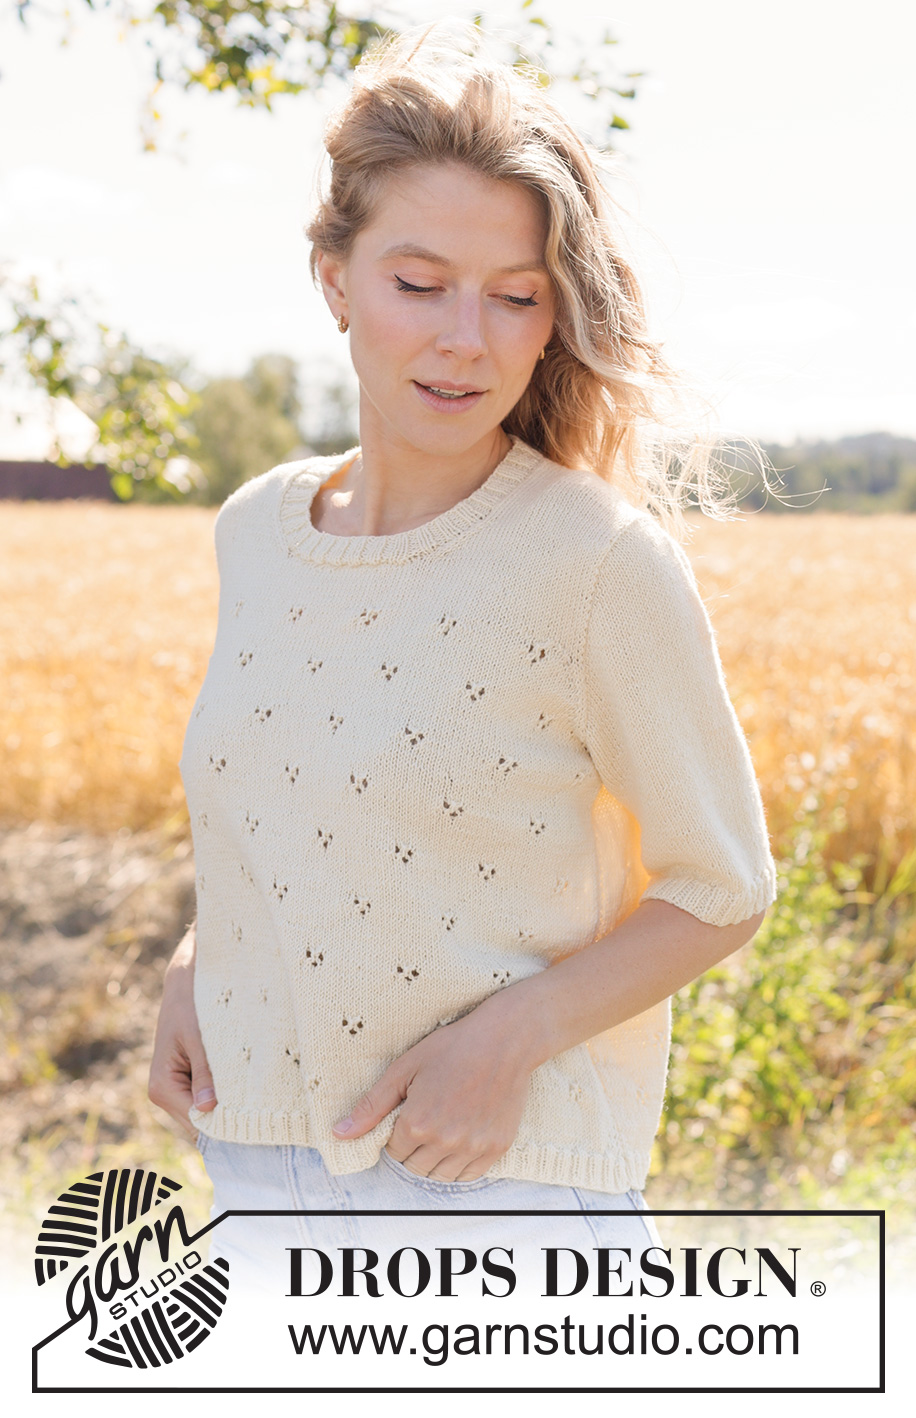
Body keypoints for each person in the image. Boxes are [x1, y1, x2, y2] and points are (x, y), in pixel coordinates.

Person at [149, 23, 777, 1294]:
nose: (465, 339)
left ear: (553, 314)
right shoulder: (256, 532)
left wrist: (508, 1040)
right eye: (417, 282)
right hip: (258, 1177)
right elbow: (289, 794)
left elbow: (723, 883)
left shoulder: (596, 561)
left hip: (503, 1203)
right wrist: (197, 959)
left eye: (515, 294)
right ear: (334, 278)